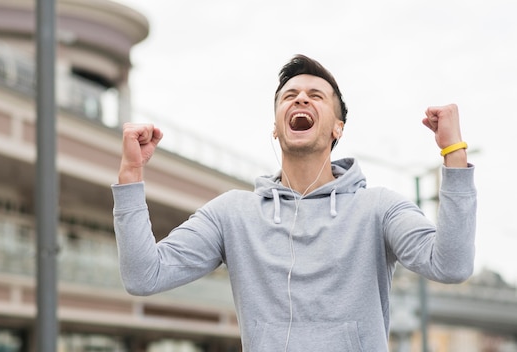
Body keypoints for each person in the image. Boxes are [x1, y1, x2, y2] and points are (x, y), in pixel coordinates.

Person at [112, 54, 476, 351]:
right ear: (276, 126)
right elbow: (145, 276)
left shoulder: (379, 209)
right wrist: (131, 173)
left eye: (316, 95)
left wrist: (454, 153)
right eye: (289, 95)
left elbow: (452, 265)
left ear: (337, 128)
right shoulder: (232, 214)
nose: (301, 98)